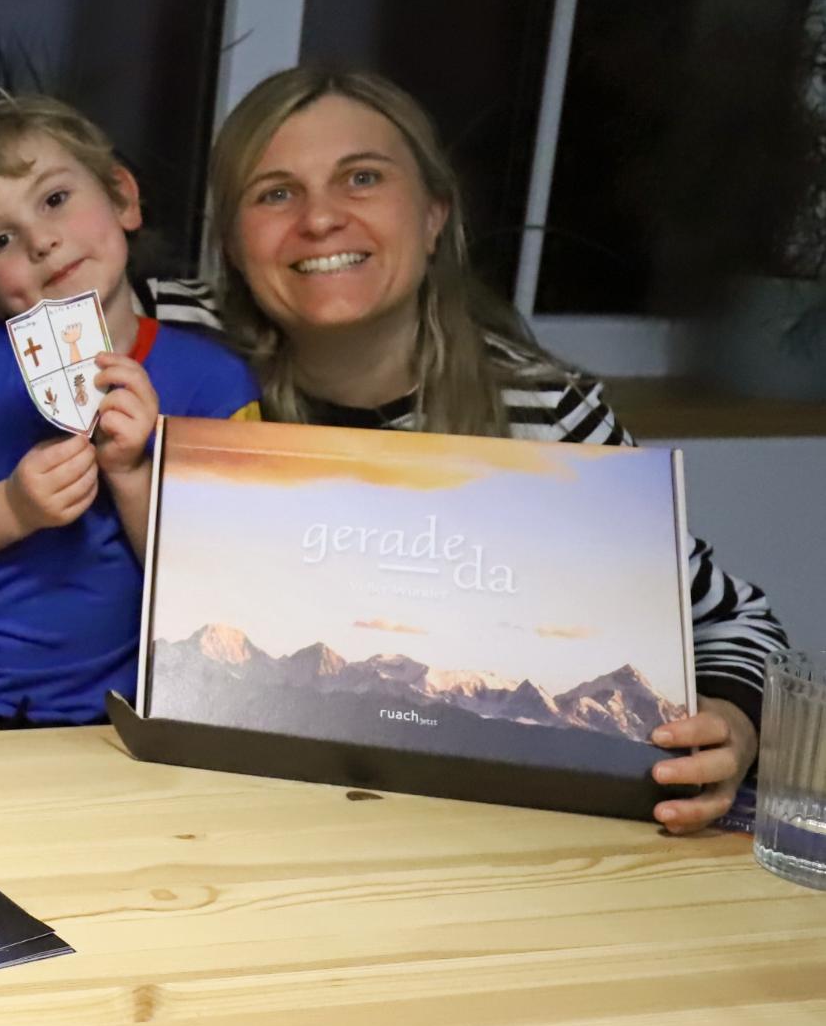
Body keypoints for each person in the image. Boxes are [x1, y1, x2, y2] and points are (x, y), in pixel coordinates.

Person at [151, 64, 788, 831]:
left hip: (457, 829)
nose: (319, 219)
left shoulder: (549, 416)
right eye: (275, 193)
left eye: (362, 178)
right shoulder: (158, 352)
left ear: (433, 216)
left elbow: (733, 622)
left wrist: (733, 724)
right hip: (198, 809)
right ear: (231, 243)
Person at [0, 95, 259, 730]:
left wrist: (134, 475)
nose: (41, 241)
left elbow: (231, 584)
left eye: (55, 199)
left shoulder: (216, 383)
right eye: (0, 239)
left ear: (123, 199)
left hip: (135, 718)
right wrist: (11, 509)